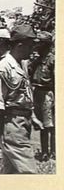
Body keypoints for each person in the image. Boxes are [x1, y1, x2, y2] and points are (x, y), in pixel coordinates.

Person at [0, 24, 43, 173]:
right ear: (20, 45)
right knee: (29, 172)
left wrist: (32, 115)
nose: (33, 50)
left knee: (11, 173)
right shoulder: (3, 67)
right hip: (12, 124)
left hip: (22, 122)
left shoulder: (20, 65)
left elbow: (23, 94)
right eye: (30, 46)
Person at [29, 31, 55, 161]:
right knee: (42, 125)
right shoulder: (37, 60)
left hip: (48, 93)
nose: (36, 46)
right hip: (37, 92)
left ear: (46, 44)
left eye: (39, 44)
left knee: (51, 125)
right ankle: (45, 151)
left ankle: (54, 151)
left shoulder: (52, 60)